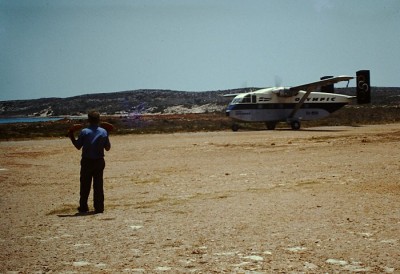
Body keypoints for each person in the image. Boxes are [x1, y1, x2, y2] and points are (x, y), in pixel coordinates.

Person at [68, 110, 111, 214]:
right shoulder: (103, 132)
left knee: (85, 185)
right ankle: (99, 208)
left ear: (88, 120)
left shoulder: (84, 132)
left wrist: (71, 135)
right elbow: (108, 148)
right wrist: (107, 134)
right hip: (99, 161)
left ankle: (83, 207)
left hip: (87, 161)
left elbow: (78, 146)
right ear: (98, 120)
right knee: (98, 185)